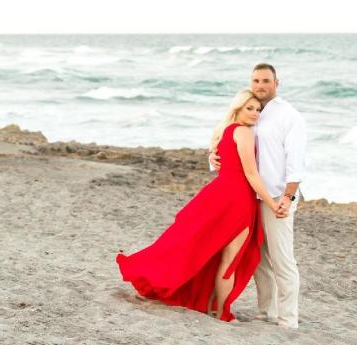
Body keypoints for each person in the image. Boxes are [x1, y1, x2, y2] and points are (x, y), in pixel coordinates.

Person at [116, 89, 280, 322]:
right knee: (230, 260)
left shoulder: (226, 131)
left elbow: (225, 163)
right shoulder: (244, 132)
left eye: (258, 110)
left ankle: (207, 303)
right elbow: (251, 174)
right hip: (238, 201)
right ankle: (221, 311)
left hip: (218, 194)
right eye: (249, 108)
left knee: (192, 244)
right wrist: (272, 203)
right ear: (238, 109)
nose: (255, 113)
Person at [210, 63, 307, 329]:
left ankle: (288, 319)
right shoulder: (250, 113)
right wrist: (212, 158)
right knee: (258, 259)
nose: (260, 85)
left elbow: (295, 162)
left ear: (277, 83)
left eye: (266, 80)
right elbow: (230, 148)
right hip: (246, 199)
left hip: (275, 198)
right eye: (255, 80)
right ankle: (267, 311)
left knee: (282, 259)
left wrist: (288, 198)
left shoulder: (289, 116)